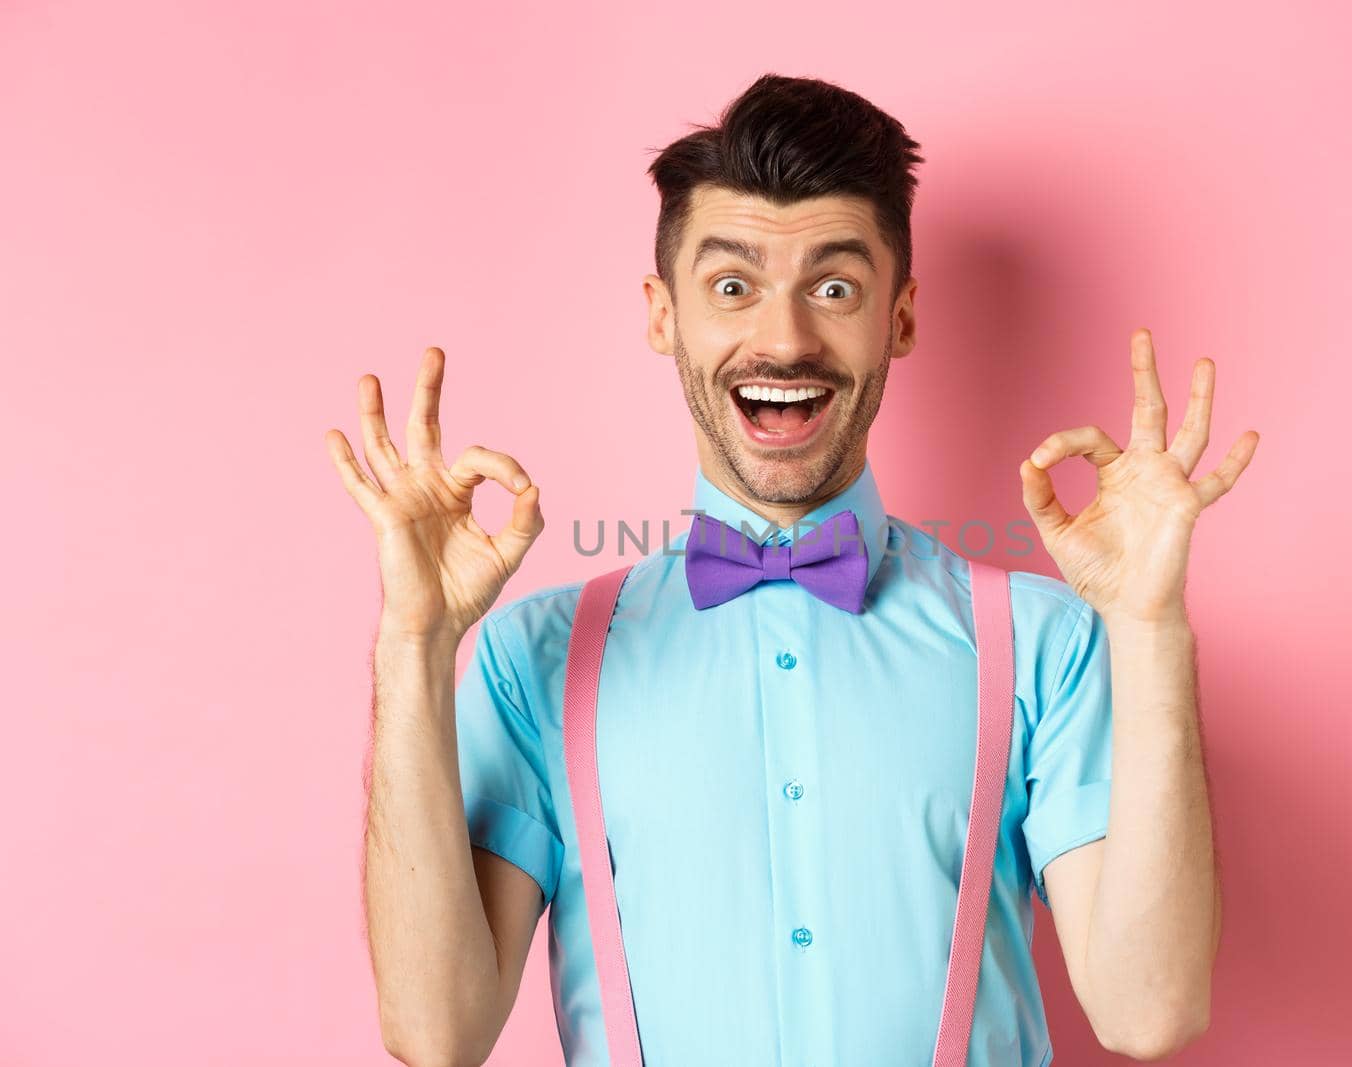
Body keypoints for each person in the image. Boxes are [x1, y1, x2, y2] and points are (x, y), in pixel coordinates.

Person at [326, 73, 1255, 1067]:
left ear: (897, 319)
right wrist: (413, 642)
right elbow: (435, 1030)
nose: (784, 338)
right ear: (661, 314)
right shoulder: (533, 660)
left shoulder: (1045, 643)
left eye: (834, 286)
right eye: (732, 286)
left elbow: (1146, 1010)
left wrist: (1150, 625)